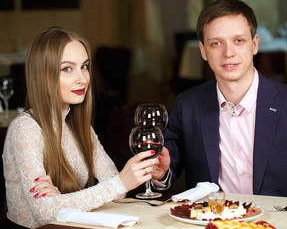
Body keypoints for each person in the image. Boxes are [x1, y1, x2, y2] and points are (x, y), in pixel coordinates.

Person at [162, 0, 287, 201]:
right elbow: (166, 168)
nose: (228, 53)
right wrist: (160, 173)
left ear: (254, 45)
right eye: (216, 43)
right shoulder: (187, 105)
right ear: (203, 51)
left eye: (238, 41)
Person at [2, 27, 170, 229]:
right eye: (67, 69)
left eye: (84, 66)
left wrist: (62, 201)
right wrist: (118, 184)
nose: (82, 78)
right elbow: (44, 214)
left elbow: (115, 185)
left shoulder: (78, 126)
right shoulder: (25, 128)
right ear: (43, 76)